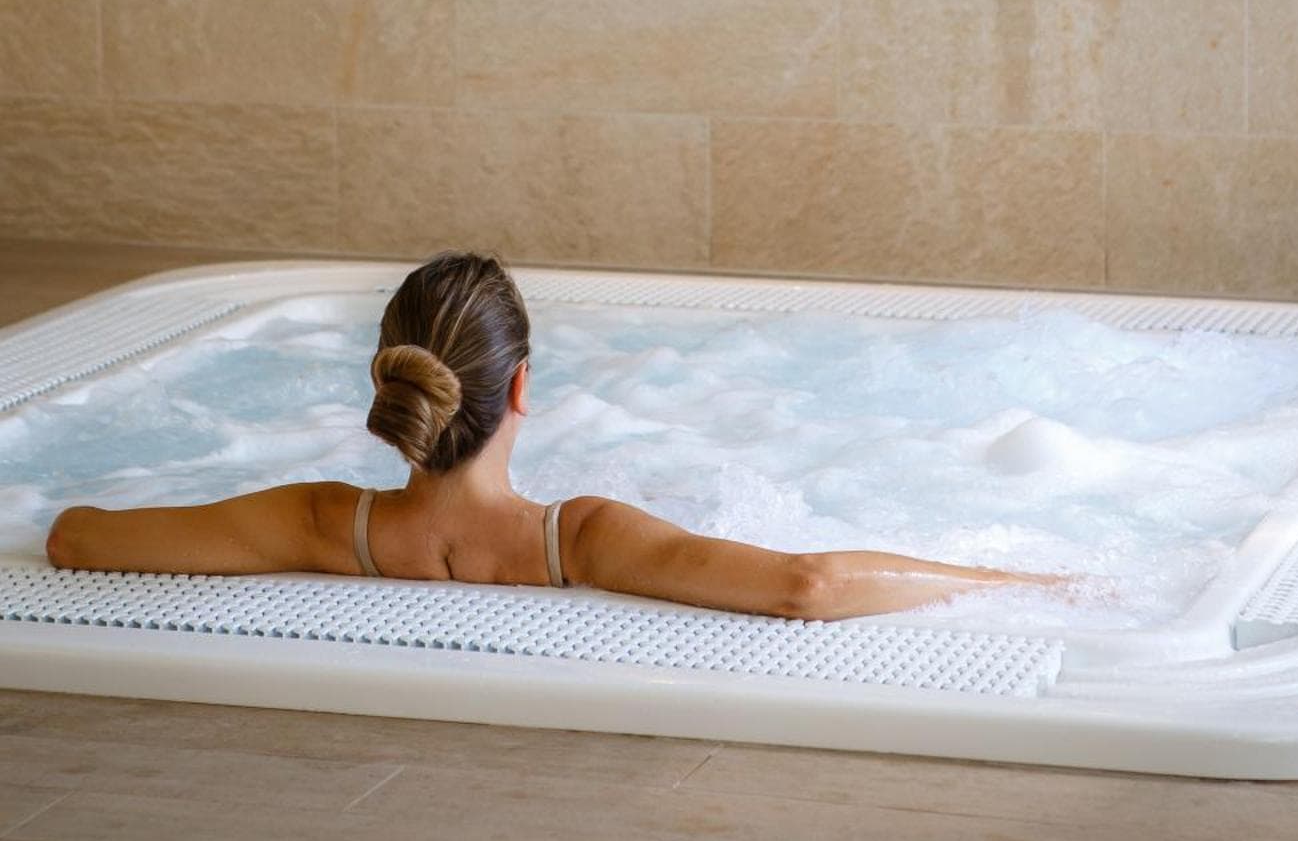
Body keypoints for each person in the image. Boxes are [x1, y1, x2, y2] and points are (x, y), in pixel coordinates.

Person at [46, 250, 1063, 620]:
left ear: (393, 379)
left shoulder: (319, 523)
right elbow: (808, 586)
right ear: (521, 387)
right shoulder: (579, 538)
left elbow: (79, 538)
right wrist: (1007, 579)